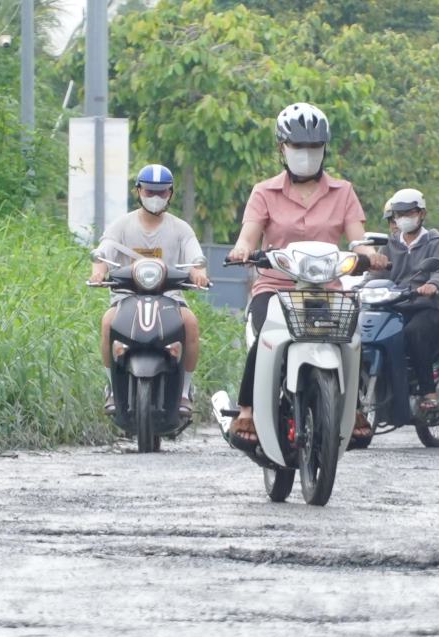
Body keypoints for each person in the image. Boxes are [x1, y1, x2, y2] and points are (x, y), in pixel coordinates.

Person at [225, 103, 386, 449]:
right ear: (282, 148)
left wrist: (369, 254)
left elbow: (357, 237)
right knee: (262, 335)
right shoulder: (263, 191)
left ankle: (354, 406)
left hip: (327, 288)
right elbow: (248, 237)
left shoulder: (343, 192)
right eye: (298, 146)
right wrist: (241, 251)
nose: (306, 154)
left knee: (352, 336)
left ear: (324, 148)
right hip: (276, 287)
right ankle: (248, 409)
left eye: (313, 147)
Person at [92, 164, 209, 416]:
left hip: (170, 296)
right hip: (126, 296)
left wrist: (199, 273)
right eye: (149, 192)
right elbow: (103, 251)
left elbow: (196, 258)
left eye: (162, 193)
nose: (155, 198)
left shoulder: (181, 228)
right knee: (107, 323)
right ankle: (112, 387)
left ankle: (184, 392)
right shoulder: (121, 225)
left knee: (190, 323)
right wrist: (99, 270)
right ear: (138, 191)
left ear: (171, 194)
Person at [361, 188, 439, 413]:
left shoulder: (435, 242)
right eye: (399, 214)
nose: (403, 218)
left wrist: (433, 285)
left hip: (428, 306)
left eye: (409, 213)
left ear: (421, 214)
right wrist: (362, 285)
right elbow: (377, 273)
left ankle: (428, 392)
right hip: (395, 305)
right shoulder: (390, 244)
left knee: (414, 333)